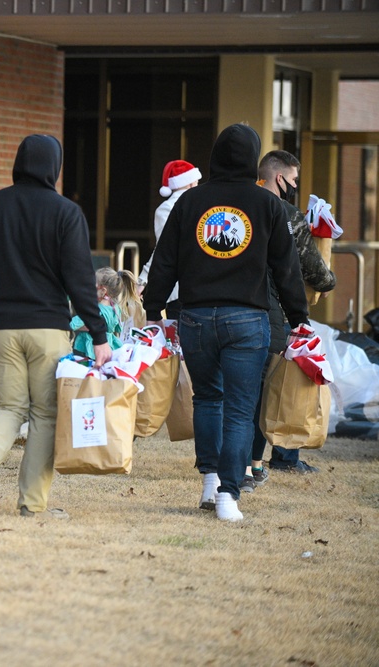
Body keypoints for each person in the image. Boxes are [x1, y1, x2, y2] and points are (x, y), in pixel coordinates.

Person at [142, 123, 309, 522]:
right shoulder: (267, 205)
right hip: (248, 319)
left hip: (195, 317)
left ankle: (209, 482)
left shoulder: (190, 202)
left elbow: (165, 260)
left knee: (208, 400)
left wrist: (153, 311)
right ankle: (227, 498)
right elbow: (286, 269)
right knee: (239, 408)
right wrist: (299, 318)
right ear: (253, 159)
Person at [0, 134, 112, 520]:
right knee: (45, 416)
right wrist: (98, 335)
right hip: (48, 332)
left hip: (2, 330)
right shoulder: (66, 213)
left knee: (9, 407)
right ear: (54, 167)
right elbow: (79, 281)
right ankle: (32, 505)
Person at [242, 150, 337, 489]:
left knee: (231, 395)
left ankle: (221, 462)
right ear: (279, 178)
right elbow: (308, 270)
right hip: (271, 315)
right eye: (294, 180)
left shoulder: (237, 206)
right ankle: (257, 463)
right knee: (265, 393)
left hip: (223, 310)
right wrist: (326, 285)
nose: (295, 186)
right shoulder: (287, 215)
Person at [139, 159, 202, 320]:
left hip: (179, 289)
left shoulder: (165, 209)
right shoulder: (200, 206)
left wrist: (142, 281)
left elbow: (163, 250)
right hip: (200, 286)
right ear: (189, 182)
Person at [71, 267, 143, 357]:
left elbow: (72, 324)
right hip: (110, 347)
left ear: (103, 291)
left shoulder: (95, 309)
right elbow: (118, 328)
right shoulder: (116, 308)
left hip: (93, 350)